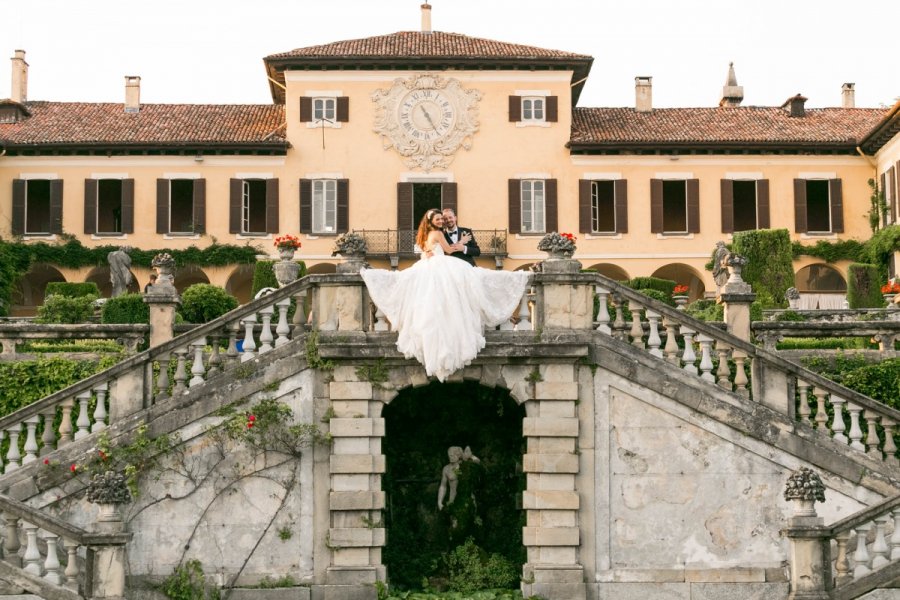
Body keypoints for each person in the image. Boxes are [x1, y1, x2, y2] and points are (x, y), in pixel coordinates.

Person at [360, 209, 530, 381]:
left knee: (437, 304)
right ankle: (449, 346)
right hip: (442, 267)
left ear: (454, 218)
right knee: (453, 300)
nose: (442, 221)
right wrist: (462, 242)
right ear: (432, 221)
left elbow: (428, 250)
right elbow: (448, 250)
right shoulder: (438, 233)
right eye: (439, 218)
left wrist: (455, 247)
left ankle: (438, 348)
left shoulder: (426, 234)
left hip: (434, 267)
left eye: (444, 218)